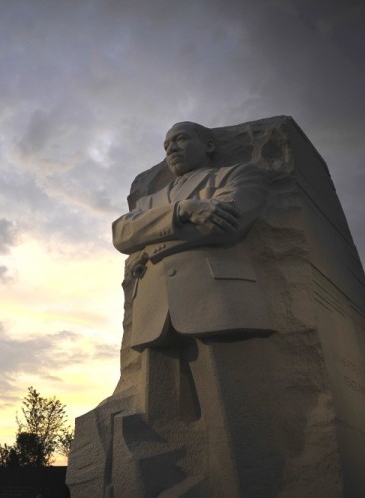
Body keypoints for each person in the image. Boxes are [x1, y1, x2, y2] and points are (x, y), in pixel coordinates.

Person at [112, 121, 272, 353]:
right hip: (153, 314)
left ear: (207, 145)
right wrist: (183, 210)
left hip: (216, 303)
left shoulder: (235, 175)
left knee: (227, 385)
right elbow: (121, 233)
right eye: (166, 146)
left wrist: (147, 250)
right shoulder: (147, 202)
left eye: (180, 139)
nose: (171, 149)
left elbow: (225, 223)